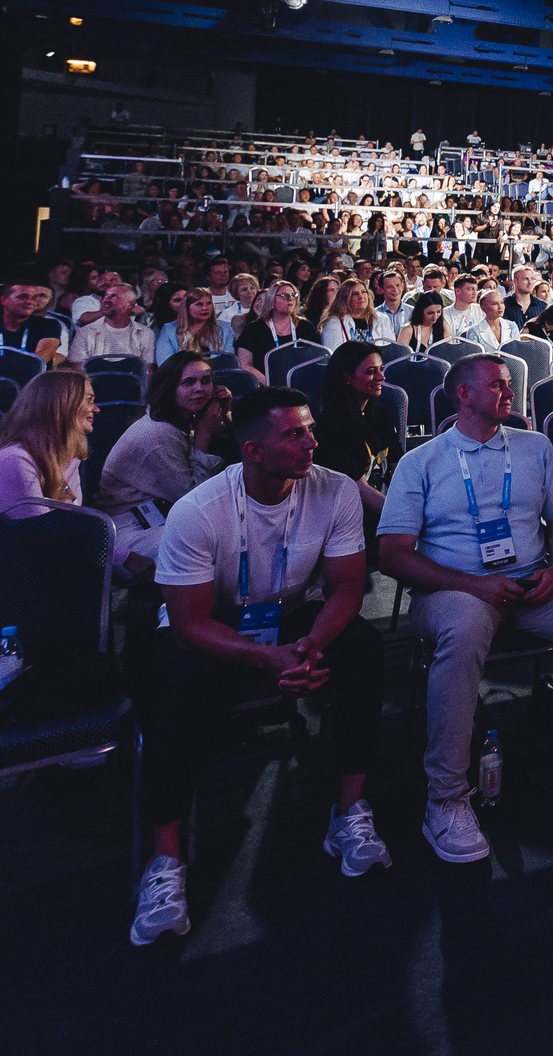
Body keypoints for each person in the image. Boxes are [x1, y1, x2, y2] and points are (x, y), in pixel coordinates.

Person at [130, 387, 387, 947]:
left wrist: (311, 645)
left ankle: (349, 811)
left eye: (310, 429)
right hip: (215, 622)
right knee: (175, 688)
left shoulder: (336, 490)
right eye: (294, 435)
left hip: (293, 617)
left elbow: (347, 588)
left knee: (364, 650)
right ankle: (165, 859)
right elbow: (189, 622)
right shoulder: (198, 511)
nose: (311, 443)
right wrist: (268, 658)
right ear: (252, 450)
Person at [379, 354, 553, 861]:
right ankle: (446, 797)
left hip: (531, 585)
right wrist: (473, 585)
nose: (509, 392)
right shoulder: (422, 461)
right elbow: (392, 553)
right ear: (463, 395)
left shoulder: (535, 446)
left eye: (509, 384)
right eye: (498, 385)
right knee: (464, 627)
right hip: (453, 592)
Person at [97, 352, 229, 567]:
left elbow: (232, 448)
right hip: (126, 527)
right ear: (169, 388)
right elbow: (194, 498)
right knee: (209, 542)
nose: (200, 388)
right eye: (189, 382)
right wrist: (204, 433)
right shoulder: (159, 434)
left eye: (206, 380)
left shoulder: (178, 418)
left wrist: (224, 413)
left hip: (157, 514)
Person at [0, 370, 97, 523]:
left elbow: (71, 520)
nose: (96, 409)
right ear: (61, 406)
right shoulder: (15, 461)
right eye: (88, 400)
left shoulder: (70, 456)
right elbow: (39, 530)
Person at [313, 341, 401, 517]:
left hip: (383, 509)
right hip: (352, 516)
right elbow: (361, 490)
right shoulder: (332, 426)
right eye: (370, 371)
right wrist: (402, 518)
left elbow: (398, 469)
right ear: (347, 377)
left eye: (381, 369)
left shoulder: (380, 415)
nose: (381, 377)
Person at [0, 279, 67, 363]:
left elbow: (39, 360)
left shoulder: (49, 325)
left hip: (32, 382)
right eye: (22, 296)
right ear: (4, 300)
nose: (29, 302)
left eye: (33, 298)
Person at [68, 282, 154, 370]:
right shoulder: (85, 332)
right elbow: (77, 370)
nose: (106, 300)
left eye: (114, 296)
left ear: (130, 304)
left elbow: (148, 371)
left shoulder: (146, 334)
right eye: (105, 296)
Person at [232, 280, 309, 377]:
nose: (290, 298)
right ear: (271, 300)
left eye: (293, 295)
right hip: (265, 383)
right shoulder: (254, 329)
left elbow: (318, 358)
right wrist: (268, 382)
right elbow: (244, 364)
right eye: (284, 295)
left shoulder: (305, 327)